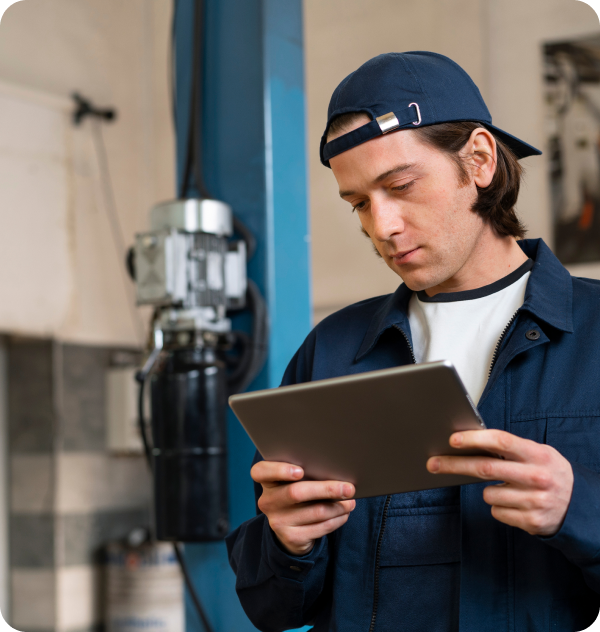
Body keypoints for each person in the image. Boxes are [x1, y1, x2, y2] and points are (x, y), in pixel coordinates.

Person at [226, 52, 600, 631]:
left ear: (478, 159)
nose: (382, 226)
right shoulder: (332, 353)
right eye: (358, 204)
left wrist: (580, 511)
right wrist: (286, 544)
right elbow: (271, 607)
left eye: (400, 186)